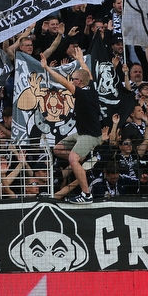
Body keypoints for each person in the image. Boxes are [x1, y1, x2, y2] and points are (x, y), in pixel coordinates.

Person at [44, 47, 101, 203]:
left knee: (72, 159)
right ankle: (85, 158)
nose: (71, 80)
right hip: (83, 133)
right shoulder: (91, 87)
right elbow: (88, 74)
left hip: (91, 135)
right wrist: (81, 60)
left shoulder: (82, 94)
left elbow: (61, 81)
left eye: (74, 79)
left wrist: (47, 68)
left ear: (79, 82)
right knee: (58, 149)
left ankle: (86, 194)